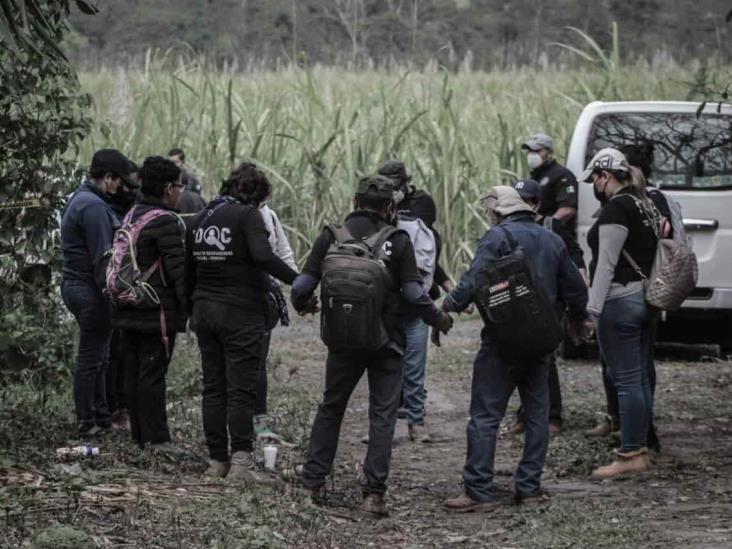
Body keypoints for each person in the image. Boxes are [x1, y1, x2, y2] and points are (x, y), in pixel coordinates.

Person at [291, 174, 453, 516]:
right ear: (391, 207)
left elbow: (301, 285)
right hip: (385, 343)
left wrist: (303, 304)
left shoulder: (331, 236)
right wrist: (438, 318)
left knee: (331, 408)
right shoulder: (397, 240)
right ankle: (373, 496)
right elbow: (413, 293)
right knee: (382, 417)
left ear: (354, 202)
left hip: (342, 343)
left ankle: (311, 484)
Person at [442, 186, 588, 512]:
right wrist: (577, 319)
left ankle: (478, 491)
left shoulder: (497, 238)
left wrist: (449, 305)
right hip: (541, 341)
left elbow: (473, 280)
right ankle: (529, 489)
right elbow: (576, 291)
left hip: (502, 341)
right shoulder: (552, 239)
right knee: (537, 415)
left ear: (498, 211)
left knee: (485, 415)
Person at [186, 162, 298, 481]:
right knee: (240, 389)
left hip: (204, 311)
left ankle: (216, 461)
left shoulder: (200, 219)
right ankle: (241, 464)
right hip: (240, 313)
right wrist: (298, 281)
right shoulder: (247, 215)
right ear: (254, 195)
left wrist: (189, 311)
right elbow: (263, 256)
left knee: (213, 387)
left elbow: (188, 273)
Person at [581, 148, 660, 478]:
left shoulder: (616, 208)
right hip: (646, 299)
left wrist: (592, 309)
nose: (594, 187)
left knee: (626, 380)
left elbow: (607, 265)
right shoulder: (646, 204)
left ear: (605, 176)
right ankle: (640, 446)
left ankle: (630, 455)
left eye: (595, 180)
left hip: (620, 300)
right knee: (639, 376)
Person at [110, 156, 188, 457]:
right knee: (152, 372)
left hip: (127, 304)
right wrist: (188, 309)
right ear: (168, 188)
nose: (180, 191)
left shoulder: (132, 214)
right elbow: (178, 271)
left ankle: (140, 438)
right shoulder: (165, 221)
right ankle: (158, 440)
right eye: (178, 186)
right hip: (155, 310)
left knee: (133, 370)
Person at [60, 149, 135, 437]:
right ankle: (87, 420)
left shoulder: (81, 198)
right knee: (91, 357)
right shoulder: (93, 207)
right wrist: (116, 292)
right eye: (117, 181)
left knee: (100, 355)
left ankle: (101, 417)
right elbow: (104, 260)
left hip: (77, 286)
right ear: (107, 178)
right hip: (88, 290)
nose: (120, 188)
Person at [377, 159, 453, 433]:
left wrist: (444, 285)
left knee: (415, 362)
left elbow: (420, 247)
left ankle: (416, 419)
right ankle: (391, 417)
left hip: (417, 289)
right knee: (388, 360)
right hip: (389, 296)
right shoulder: (378, 205)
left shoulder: (422, 204)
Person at [510, 178, 587, 436]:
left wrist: (579, 283)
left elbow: (574, 253)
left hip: (549, 304)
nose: (523, 206)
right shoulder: (507, 229)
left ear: (538, 203)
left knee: (545, 359)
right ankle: (525, 414)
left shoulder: (551, 227)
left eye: (528, 201)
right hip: (518, 303)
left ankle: (552, 416)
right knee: (520, 358)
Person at [254, 202, 298, 440]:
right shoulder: (229, 213)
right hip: (234, 300)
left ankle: (259, 423)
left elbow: (284, 253)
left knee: (258, 363)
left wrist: (299, 288)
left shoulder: (268, 214)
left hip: (263, 301)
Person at [106, 161, 141, 432]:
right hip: (118, 291)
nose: (127, 189)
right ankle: (115, 409)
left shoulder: (134, 208)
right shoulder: (108, 209)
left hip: (130, 292)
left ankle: (123, 408)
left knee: (124, 356)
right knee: (114, 356)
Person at [521, 134, 578, 228]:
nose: (532, 154)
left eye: (537, 151)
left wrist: (547, 227)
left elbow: (568, 209)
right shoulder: (534, 178)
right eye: (530, 151)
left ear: (550, 153)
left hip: (557, 235)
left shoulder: (562, 175)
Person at [169, 147, 207, 214]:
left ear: (182, 162)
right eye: (170, 162)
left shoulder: (191, 178)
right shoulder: (165, 178)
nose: (172, 165)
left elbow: (198, 198)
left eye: (175, 162)